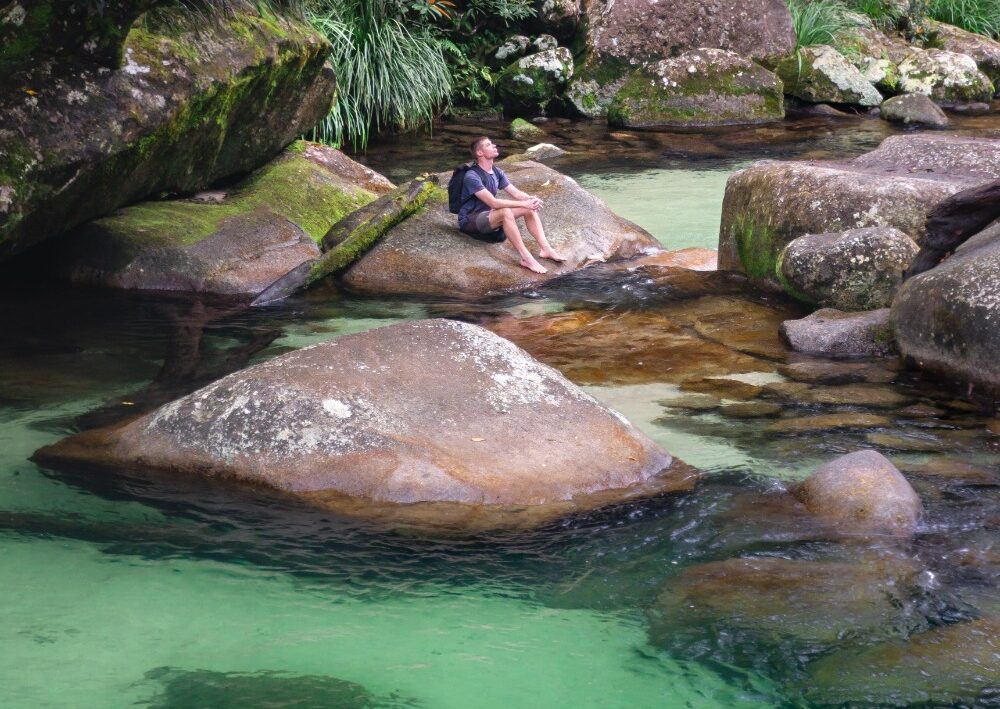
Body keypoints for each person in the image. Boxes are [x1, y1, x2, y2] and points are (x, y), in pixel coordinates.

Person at [457, 136, 566, 274]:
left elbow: (516, 193)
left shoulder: (496, 172)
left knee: (528, 208)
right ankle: (526, 258)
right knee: (506, 212)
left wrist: (531, 199)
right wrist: (524, 203)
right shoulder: (472, 176)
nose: (494, 146)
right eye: (489, 145)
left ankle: (546, 249)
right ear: (479, 153)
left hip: (489, 216)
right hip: (470, 220)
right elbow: (493, 203)